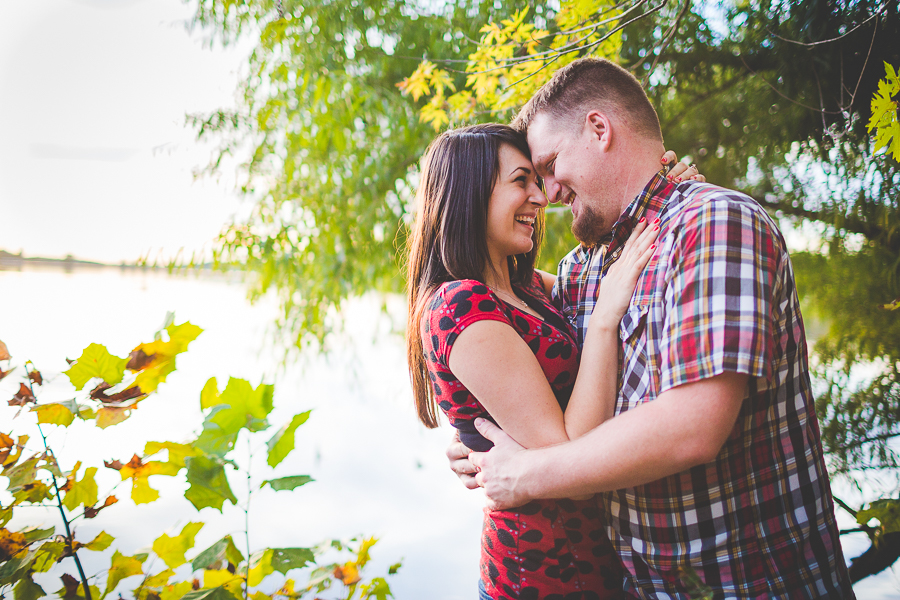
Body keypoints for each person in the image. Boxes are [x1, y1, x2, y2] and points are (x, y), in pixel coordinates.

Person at [448, 58, 855, 598]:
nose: (546, 194)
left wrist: (524, 476)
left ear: (599, 129)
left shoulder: (712, 223)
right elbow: (502, 330)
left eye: (548, 166)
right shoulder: (585, 268)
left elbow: (694, 425)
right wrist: (473, 434)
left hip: (753, 584)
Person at [407, 123, 696, 599]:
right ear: (469, 192)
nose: (540, 198)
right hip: (544, 576)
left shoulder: (523, 288)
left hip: (600, 562)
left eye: (537, 181)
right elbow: (571, 459)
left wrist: (671, 191)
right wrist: (604, 319)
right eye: (521, 181)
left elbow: (613, 262)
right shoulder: (459, 306)